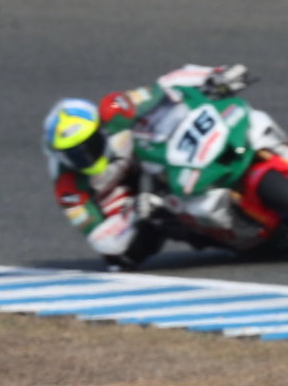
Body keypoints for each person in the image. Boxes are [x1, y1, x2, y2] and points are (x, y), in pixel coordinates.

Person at [42, 64, 252, 270]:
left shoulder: (113, 108)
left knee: (169, 116)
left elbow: (162, 87)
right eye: (72, 154)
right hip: (125, 197)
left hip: (148, 154)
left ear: (98, 127)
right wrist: (133, 218)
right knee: (121, 257)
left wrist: (213, 76)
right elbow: (98, 235)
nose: (82, 156)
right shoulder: (67, 187)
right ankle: (206, 231)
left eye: (87, 145)